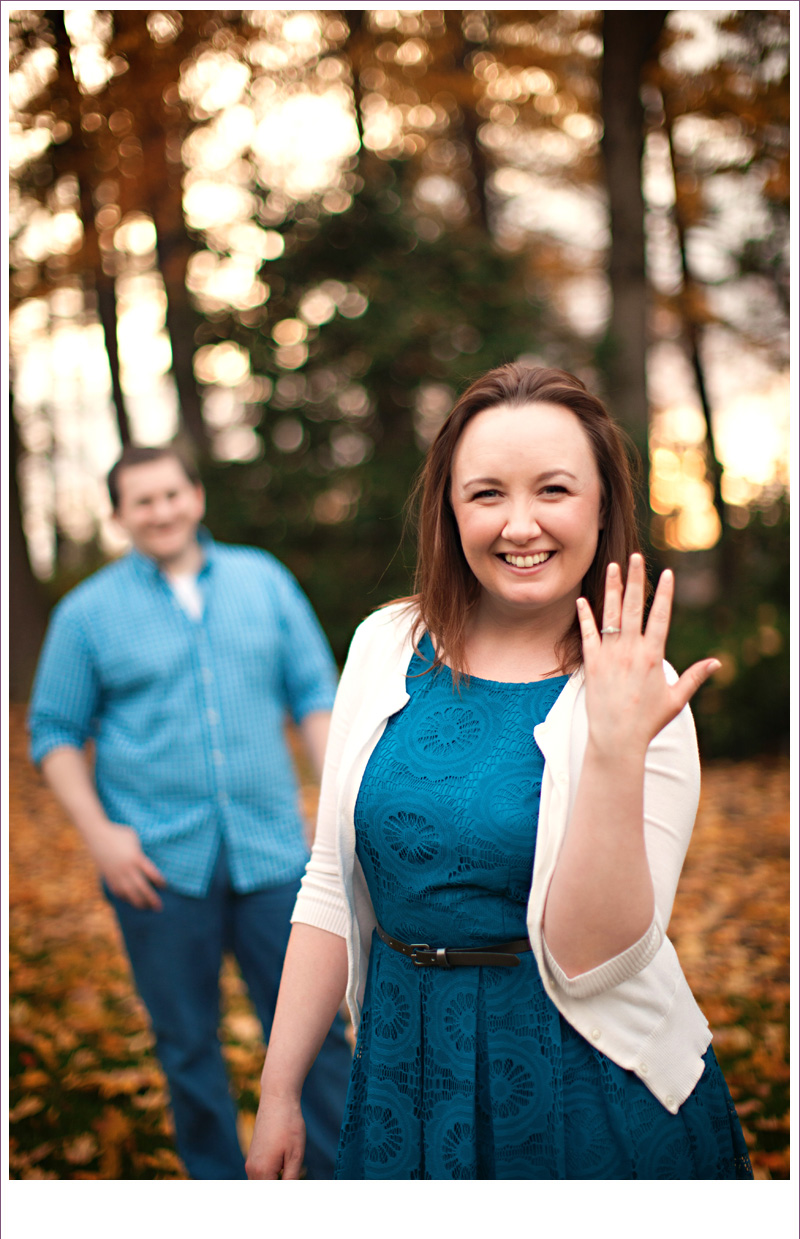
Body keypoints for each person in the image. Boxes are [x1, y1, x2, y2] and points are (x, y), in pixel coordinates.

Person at [246, 363, 753, 1181]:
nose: (521, 525)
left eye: (554, 489)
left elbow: (593, 957)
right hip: (403, 1067)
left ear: (600, 505)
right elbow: (332, 880)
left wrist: (617, 750)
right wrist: (279, 1089)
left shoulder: (642, 691)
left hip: (585, 1084)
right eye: (487, 494)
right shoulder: (385, 644)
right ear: (451, 508)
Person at [28, 444, 352, 1180]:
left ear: (196, 496)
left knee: (315, 1035)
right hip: (156, 866)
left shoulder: (263, 582)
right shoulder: (88, 615)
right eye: (141, 501)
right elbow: (53, 730)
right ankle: (214, 1194)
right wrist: (100, 836)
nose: (161, 510)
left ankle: (338, 1185)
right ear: (119, 517)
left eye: (171, 493)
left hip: (275, 856)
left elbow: (313, 693)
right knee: (186, 1044)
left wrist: (332, 804)